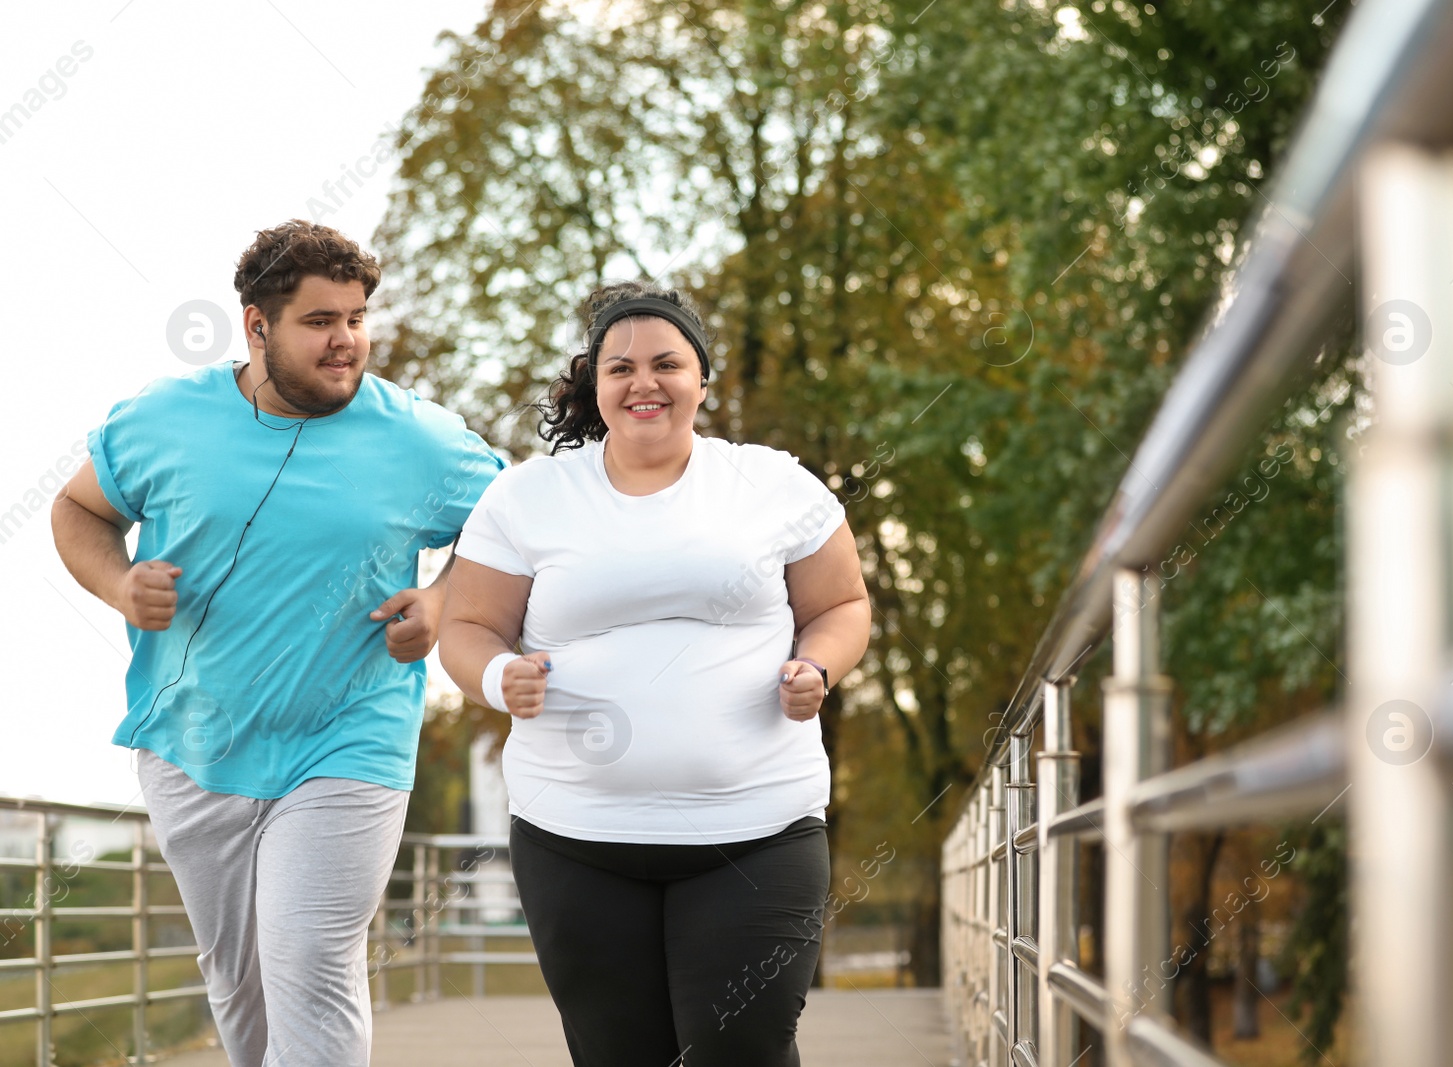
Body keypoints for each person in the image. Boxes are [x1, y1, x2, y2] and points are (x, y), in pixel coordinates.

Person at [50, 220, 505, 1066]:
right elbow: (77, 510)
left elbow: (514, 524)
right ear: (256, 326)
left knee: (311, 957)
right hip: (193, 741)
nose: (346, 343)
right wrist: (119, 584)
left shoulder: (416, 437)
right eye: (320, 321)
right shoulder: (162, 418)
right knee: (237, 979)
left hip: (349, 739)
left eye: (358, 318)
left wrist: (443, 600)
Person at [438, 279, 871, 1066]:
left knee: (742, 1051)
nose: (644, 382)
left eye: (667, 363)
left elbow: (842, 603)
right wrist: (501, 676)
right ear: (594, 385)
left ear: (702, 378)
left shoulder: (772, 484)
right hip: (575, 838)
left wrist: (819, 664)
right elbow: (466, 626)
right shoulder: (526, 496)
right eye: (621, 367)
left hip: (758, 831)